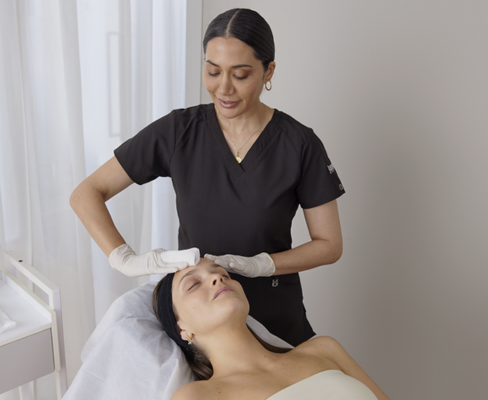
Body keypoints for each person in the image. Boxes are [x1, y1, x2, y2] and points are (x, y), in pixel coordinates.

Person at [70, 8, 344, 345]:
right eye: (213, 71)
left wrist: (260, 265)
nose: (223, 88)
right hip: (205, 328)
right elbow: (86, 193)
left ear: (268, 71)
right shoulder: (178, 132)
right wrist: (124, 258)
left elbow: (329, 245)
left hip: (275, 316)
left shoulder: (299, 144)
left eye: (240, 75)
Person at [153, 258, 390, 400]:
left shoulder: (323, 349)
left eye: (222, 273)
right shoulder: (195, 396)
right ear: (182, 328)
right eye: (194, 284)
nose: (217, 278)